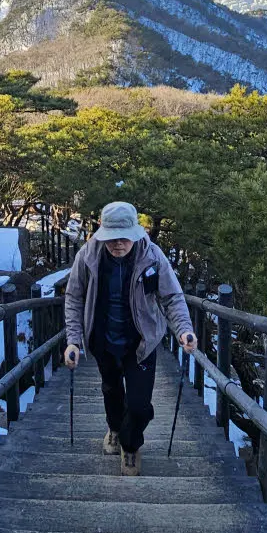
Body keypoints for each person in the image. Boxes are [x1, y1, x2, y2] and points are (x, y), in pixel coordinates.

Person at [63, 200, 197, 476]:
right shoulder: (88, 256)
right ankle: (114, 429)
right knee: (111, 390)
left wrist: (183, 329)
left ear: (135, 233)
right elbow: (74, 297)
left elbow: (172, 297)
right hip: (104, 340)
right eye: (111, 238)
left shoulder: (152, 256)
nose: (118, 244)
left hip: (141, 343)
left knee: (139, 406)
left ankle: (130, 444)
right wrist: (74, 341)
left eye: (123, 237)